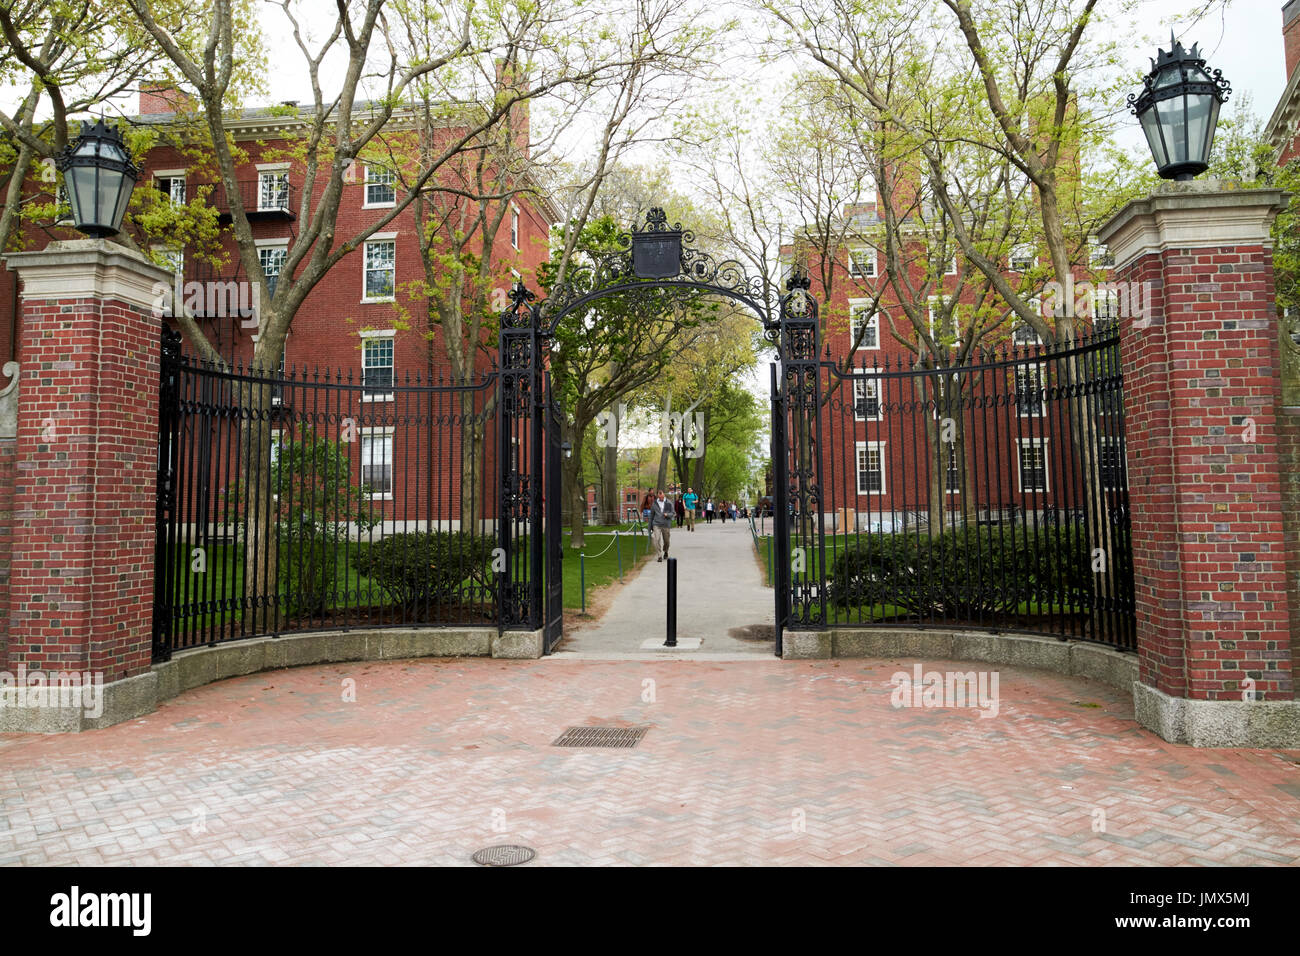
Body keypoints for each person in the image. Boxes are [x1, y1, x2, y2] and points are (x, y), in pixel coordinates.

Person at [649, 488, 674, 562]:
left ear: (664, 495)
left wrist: (667, 514)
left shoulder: (668, 503)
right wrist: (650, 527)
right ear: (658, 497)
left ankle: (665, 551)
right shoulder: (654, 504)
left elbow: (673, 513)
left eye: (662, 497)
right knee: (656, 540)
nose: (661, 499)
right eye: (660, 498)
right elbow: (651, 516)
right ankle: (659, 555)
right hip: (656, 524)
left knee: (667, 541)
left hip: (666, 524)